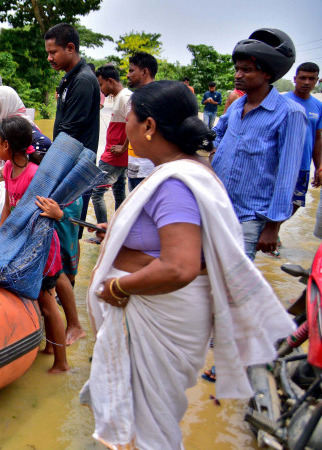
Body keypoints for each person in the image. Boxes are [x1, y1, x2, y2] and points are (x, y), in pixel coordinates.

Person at [80, 80, 295, 449]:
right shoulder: (186, 170)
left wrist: (116, 287)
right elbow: (180, 243)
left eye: (130, 118)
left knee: (150, 429)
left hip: (162, 316)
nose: (125, 125)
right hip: (166, 316)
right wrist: (119, 231)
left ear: (148, 127)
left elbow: (179, 266)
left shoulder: (174, 183)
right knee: (148, 419)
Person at [0, 86, 86, 346]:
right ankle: (59, 333)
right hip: (33, 211)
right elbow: (4, 180)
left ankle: (73, 326)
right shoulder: (12, 148)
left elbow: (44, 191)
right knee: (54, 277)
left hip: (55, 205)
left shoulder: (28, 143)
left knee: (56, 274)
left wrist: (56, 214)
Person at [212, 28, 306, 260]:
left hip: (250, 217)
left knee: (234, 284)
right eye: (237, 69)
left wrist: (273, 225)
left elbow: (287, 173)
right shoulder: (235, 106)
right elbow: (215, 135)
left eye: (247, 70)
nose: (238, 75)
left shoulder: (290, 113)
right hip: (217, 209)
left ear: (267, 75)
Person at [0, 116, 69, 373]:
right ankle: (49, 348)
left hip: (43, 250)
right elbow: (7, 206)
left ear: (6, 145)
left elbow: (50, 216)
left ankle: (62, 363)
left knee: (48, 305)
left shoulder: (34, 176)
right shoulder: (7, 169)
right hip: (23, 245)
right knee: (40, 301)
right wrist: (0, 242)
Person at [44, 23, 101, 239]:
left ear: (70, 48)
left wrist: (45, 163)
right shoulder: (69, 79)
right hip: (66, 165)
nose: (49, 58)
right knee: (58, 231)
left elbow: (70, 134)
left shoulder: (83, 81)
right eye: (48, 53)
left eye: (53, 52)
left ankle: (70, 273)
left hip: (75, 170)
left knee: (68, 233)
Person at [91, 65, 132, 228]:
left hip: (114, 156)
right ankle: (117, 228)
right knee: (119, 190)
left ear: (110, 81)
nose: (101, 90)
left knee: (97, 192)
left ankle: (102, 229)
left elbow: (134, 121)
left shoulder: (125, 97)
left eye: (101, 85)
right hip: (118, 156)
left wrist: (123, 147)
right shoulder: (119, 97)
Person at [285, 62, 322, 207]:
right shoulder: (282, 101)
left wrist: (319, 167)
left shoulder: (318, 106)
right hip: (281, 165)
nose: (307, 82)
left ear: (317, 80)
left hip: (303, 166)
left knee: (296, 204)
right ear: (295, 79)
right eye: (303, 78)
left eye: (311, 79)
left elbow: (317, 139)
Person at [126, 52, 158, 190]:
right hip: (133, 164)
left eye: (132, 70)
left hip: (147, 169)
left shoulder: (156, 97)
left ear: (144, 72)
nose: (128, 75)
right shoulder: (136, 97)